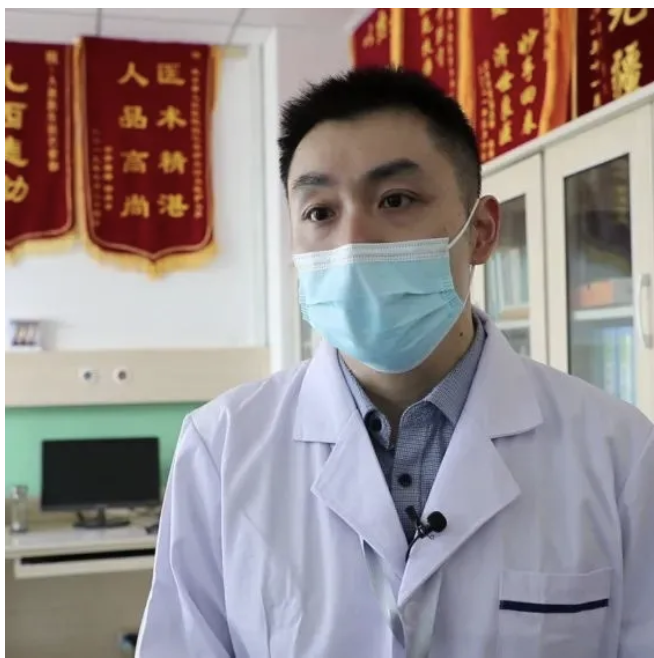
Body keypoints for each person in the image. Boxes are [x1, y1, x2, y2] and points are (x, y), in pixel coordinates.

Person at [136, 68, 654, 658]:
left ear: (482, 231)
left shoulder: (618, 450)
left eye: (396, 200)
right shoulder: (223, 446)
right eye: (320, 212)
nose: (353, 241)